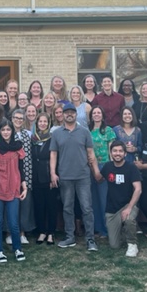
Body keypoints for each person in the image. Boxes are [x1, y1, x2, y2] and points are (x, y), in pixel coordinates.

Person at [50, 102, 99, 251]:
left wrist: (95, 170)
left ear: (76, 114)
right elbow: (53, 154)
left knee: (87, 208)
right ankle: (69, 237)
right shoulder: (57, 133)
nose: (69, 114)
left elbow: (91, 153)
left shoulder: (84, 131)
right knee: (67, 208)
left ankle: (90, 239)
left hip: (83, 176)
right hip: (65, 176)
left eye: (72, 112)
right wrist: (53, 173)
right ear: (62, 115)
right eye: (67, 112)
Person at [0, 119, 27, 263]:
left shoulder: (18, 147)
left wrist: (24, 186)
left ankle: (17, 248)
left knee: (14, 222)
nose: (6, 132)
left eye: (8, 130)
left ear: (12, 131)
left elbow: (21, 169)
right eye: (3, 130)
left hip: (14, 187)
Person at [94, 141, 142, 258]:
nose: (117, 153)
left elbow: (138, 189)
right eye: (115, 151)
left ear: (125, 153)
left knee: (129, 219)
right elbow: (99, 179)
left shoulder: (131, 168)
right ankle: (123, 232)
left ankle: (132, 244)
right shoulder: (108, 166)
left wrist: (129, 208)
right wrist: (94, 164)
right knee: (114, 245)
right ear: (111, 153)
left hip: (128, 205)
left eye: (120, 151)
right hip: (112, 209)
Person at [88, 106, 117, 238]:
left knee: (104, 198)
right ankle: (97, 228)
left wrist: (111, 167)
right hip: (89, 167)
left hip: (105, 166)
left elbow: (112, 150)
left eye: (99, 112)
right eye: (94, 113)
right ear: (91, 116)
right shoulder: (87, 131)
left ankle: (107, 229)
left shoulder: (108, 131)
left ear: (102, 115)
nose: (96, 115)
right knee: (93, 199)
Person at [31, 112, 57, 245]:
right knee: (39, 206)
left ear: (49, 123)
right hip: (35, 178)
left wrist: (54, 174)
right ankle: (42, 232)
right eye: (40, 121)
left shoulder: (52, 138)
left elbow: (55, 157)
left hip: (49, 176)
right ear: (37, 123)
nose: (42, 124)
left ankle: (51, 233)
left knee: (51, 206)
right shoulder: (33, 139)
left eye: (45, 122)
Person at [11, 109, 34, 244]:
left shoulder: (27, 134)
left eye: (21, 118)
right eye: (16, 117)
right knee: (11, 202)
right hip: (11, 172)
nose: (18, 120)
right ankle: (10, 232)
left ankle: (22, 232)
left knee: (25, 204)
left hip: (26, 171)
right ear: (12, 118)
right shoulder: (7, 132)